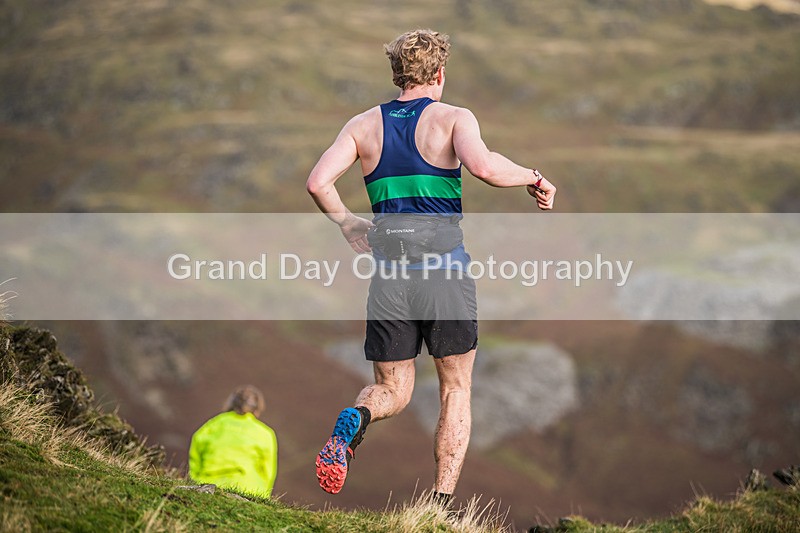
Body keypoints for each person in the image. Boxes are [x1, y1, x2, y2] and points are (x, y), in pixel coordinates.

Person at [306, 29, 556, 503]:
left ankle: (354, 422)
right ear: (439, 73)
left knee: (393, 391)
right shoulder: (453, 118)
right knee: (455, 389)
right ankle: (439, 507)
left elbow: (318, 181)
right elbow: (483, 166)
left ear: (397, 74)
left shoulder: (363, 125)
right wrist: (534, 177)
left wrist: (346, 224)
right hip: (443, 270)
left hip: (389, 275)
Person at [188, 385, 278, 498]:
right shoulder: (265, 433)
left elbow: (195, 455)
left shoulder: (213, 425)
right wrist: (264, 494)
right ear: (258, 408)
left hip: (209, 484)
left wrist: (195, 480)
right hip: (250, 490)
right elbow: (268, 471)